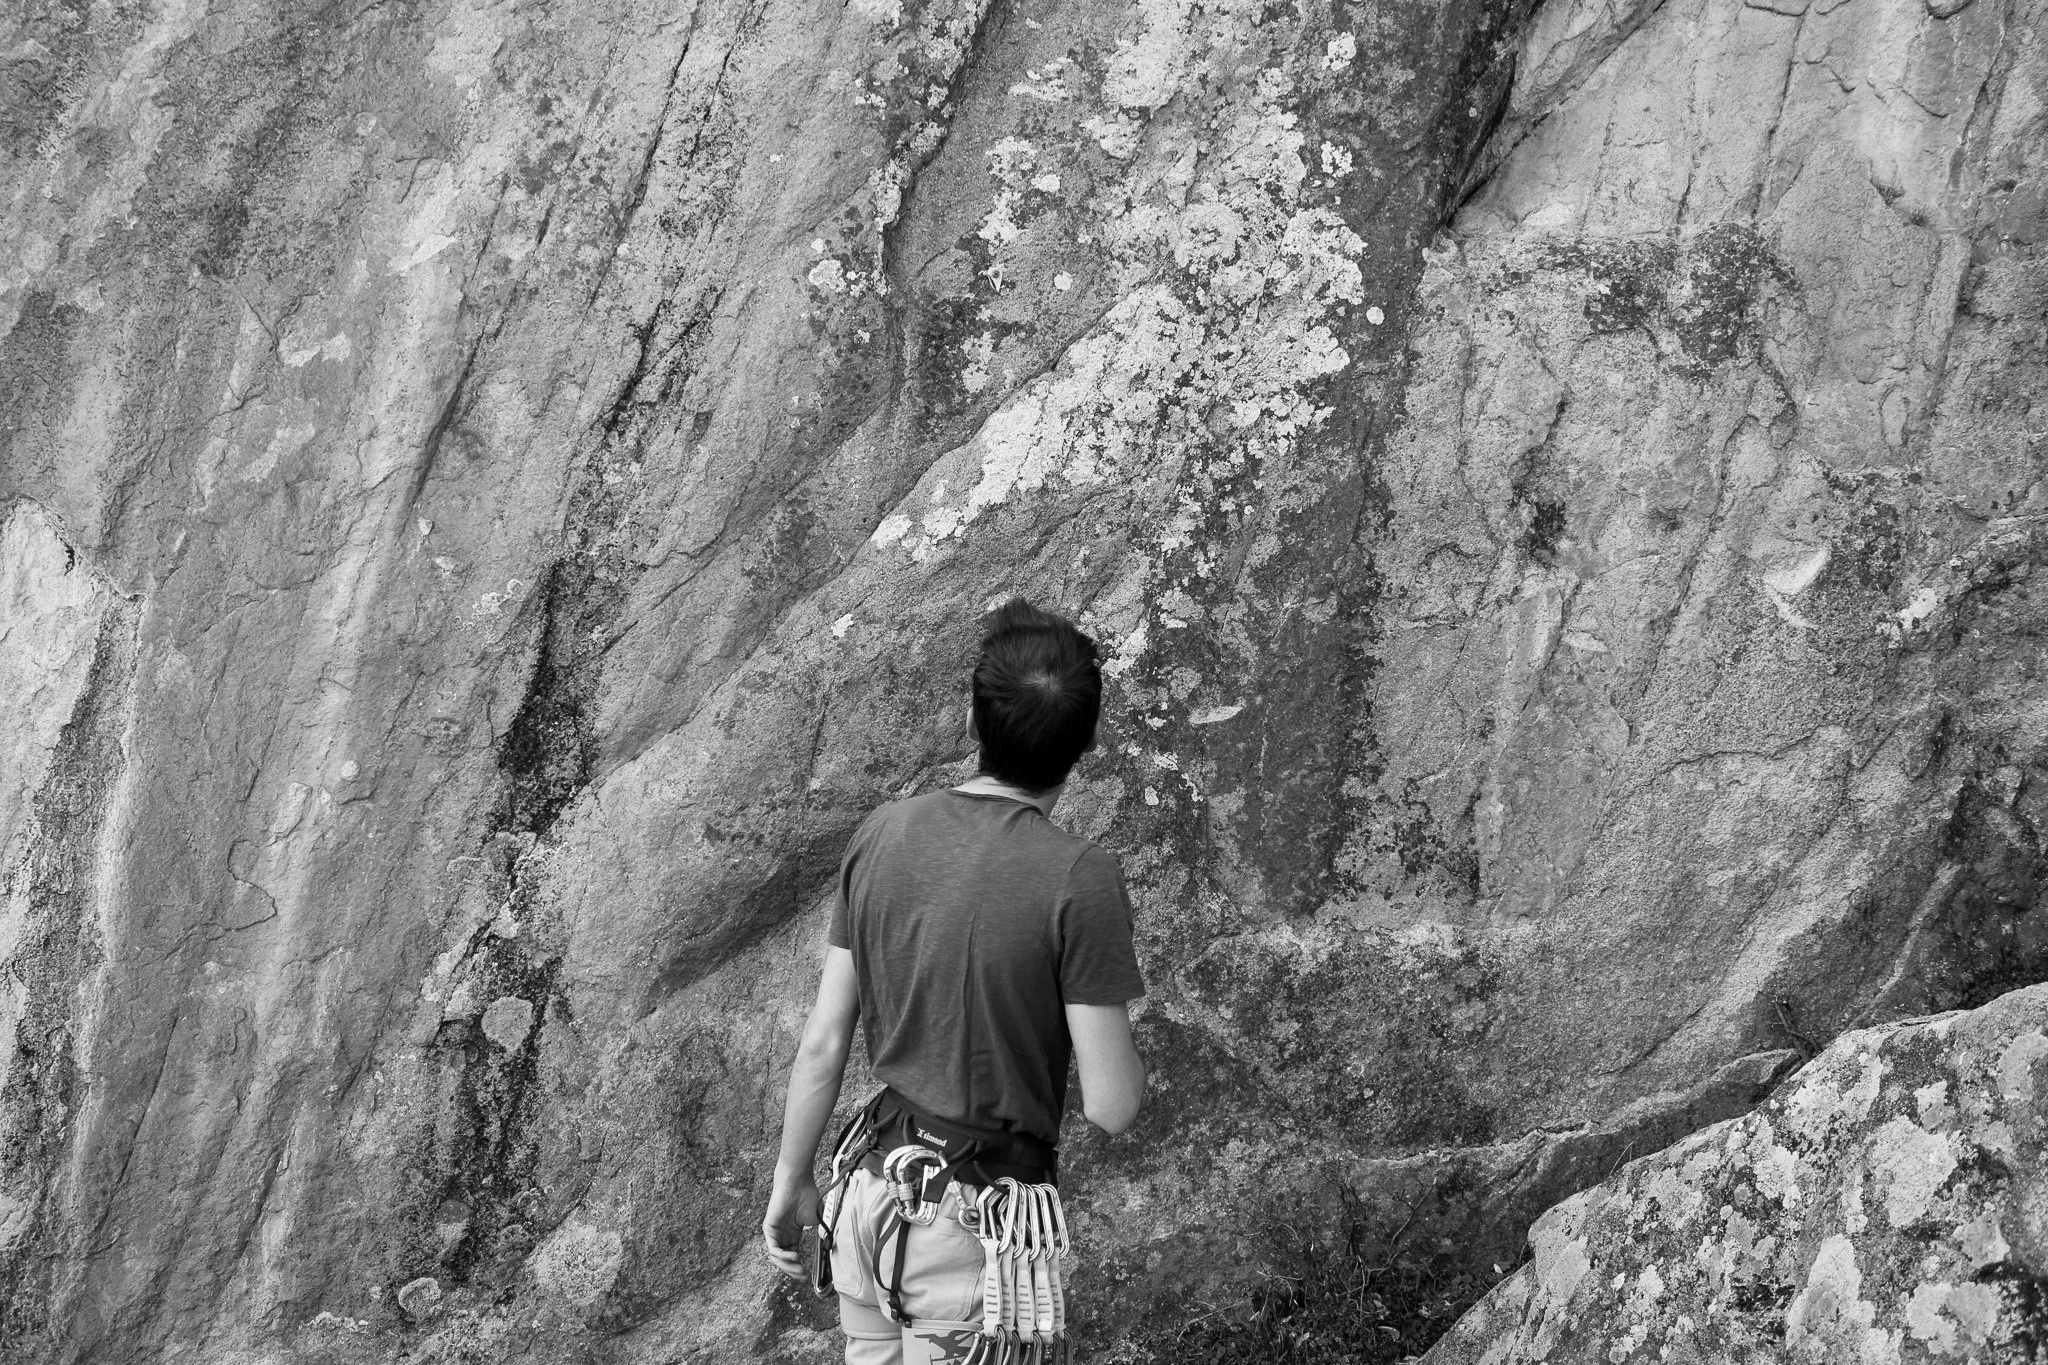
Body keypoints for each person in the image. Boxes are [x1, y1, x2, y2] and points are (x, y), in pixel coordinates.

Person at [761, 598, 1148, 1365]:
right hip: (977, 1225)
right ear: (1088, 741)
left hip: (868, 1189)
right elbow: (1112, 1104)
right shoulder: (1080, 878)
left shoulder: (884, 831)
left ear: (972, 722)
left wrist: (791, 1179)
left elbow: (823, 1043)